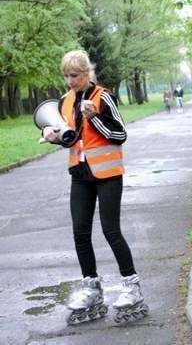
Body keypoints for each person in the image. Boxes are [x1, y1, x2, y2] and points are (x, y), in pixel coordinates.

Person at [41, 50, 148, 326]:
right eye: (65, 76)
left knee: (111, 230)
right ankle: (91, 287)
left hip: (108, 174)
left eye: (74, 76)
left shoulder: (103, 96)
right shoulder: (65, 101)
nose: (69, 81)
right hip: (80, 173)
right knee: (80, 232)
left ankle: (131, 284)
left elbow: (120, 134)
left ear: (86, 74)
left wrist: (94, 118)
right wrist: (51, 135)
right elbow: (71, 138)